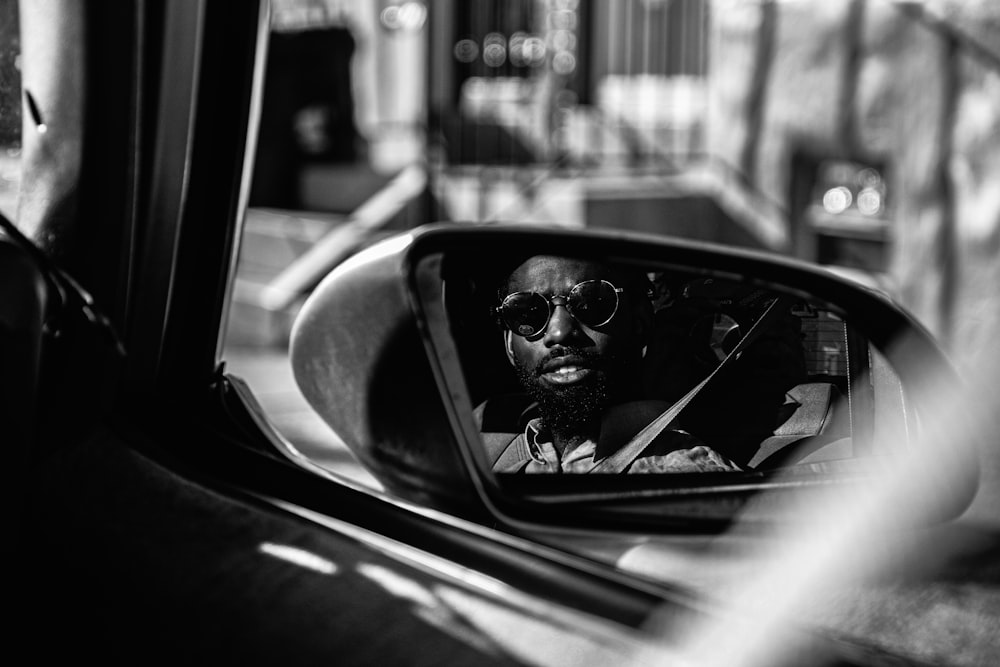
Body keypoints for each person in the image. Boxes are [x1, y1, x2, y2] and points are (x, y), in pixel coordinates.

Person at [476, 254, 740, 474]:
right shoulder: (490, 462)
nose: (558, 332)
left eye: (593, 302)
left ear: (640, 323)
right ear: (510, 345)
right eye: (527, 312)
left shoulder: (687, 472)